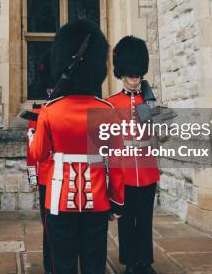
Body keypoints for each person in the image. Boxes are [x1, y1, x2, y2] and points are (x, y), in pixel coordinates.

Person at [30, 19, 124, 274]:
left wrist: (34, 134)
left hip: (60, 199)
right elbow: (115, 164)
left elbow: (37, 154)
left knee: (63, 265)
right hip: (97, 199)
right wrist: (116, 201)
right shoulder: (106, 111)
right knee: (94, 264)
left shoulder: (50, 111)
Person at [106, 36, 159, 274]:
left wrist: (161, 128)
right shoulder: (111, 103)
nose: (134, 79)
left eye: (138, 75)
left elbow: (161, 134)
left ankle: (145, 262)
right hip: (124, 172)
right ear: (122, 74)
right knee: (126, 221)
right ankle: (129, 262)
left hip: (147, 171)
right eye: (130, 75)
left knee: (145, 219)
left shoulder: (149, 103)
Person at [22, 51, 54, 274]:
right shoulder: (37, 112)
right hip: (44, 174)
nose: (53, 92)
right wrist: (33, 175)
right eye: (50, 89)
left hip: (63, 175)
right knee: (48, 226)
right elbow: (32, 149)